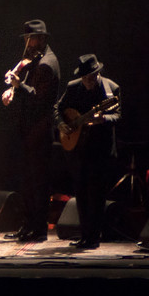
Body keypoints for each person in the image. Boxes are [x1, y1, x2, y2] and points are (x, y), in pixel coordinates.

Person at [1, 20, 60, 242]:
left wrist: (19, 86)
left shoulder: (47, 63)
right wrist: (12, 92)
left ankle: (38, 228)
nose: (27, 43)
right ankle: (28, 225)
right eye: (26, 39)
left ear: (42, 39)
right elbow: (27, 91)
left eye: (31, 39)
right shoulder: (35, 60)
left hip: (39, 130)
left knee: (38, 181)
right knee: (27, 179)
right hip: (29, 129)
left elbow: (39, 99)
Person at [54, 54, 121, 250]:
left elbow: (117, 115)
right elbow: (58, 108)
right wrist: (61, 124)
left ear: (97, 73)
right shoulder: (73, 87)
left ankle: (94, 237)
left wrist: (103, 119)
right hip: (78, 150)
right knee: (81, 194)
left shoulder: (111, 89)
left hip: (100, 150)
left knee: (96, 195)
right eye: (84, 78)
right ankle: (84, 235)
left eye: (91, 77)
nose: (88, 81)